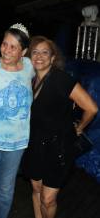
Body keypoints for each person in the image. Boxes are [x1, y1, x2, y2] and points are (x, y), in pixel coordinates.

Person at [22, 36, 98, 218]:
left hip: (59, 148)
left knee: (48, 199)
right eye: (35, 52)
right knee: (36, 190)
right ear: (29, 56)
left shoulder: (61, 79)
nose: (39, 56)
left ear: (53, 57)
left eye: (45, 52)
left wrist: (79, 128)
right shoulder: (30, 81)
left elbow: (91, 108)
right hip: (34, 145)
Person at [0, 23, 34, 218]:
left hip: (18, 142)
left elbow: (49, 75)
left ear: (24, 51)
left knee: (5, 189)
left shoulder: (29, 66)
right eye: (5, 44)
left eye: (13, 47)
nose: (7, 50)